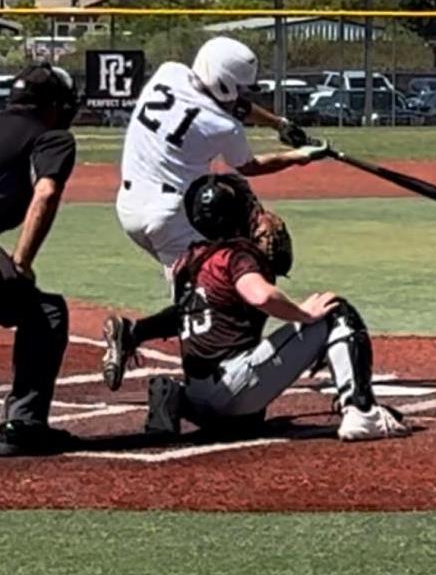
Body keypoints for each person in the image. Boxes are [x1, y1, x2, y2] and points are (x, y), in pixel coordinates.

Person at [102, 174, 411, 442]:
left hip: (202, 393)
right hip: (233, 387)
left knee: (250, 419)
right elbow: (260, 296)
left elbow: (187, 315)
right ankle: (362, 411)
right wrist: (304, 315)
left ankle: (178, 397)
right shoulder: (237, 255)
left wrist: (139, 331)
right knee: (335, 311)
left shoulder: (189, 261)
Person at [115, 35, 328, 282]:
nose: (242, 92)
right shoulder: (224, 126)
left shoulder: (168, 72)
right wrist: (297, 156)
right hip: (168, 215)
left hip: (128, 206)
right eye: (239, 86)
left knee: (189, 285)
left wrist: (279, 124)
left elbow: (231, 103)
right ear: (224, 82)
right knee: (211, 292)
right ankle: (139, 324)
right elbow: (249, 167)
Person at [0, 62, 79, 456]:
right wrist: (21, 263)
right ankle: (24, 425)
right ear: (52, 105)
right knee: (44, 313)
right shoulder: (53, 137)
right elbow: (45, 193)